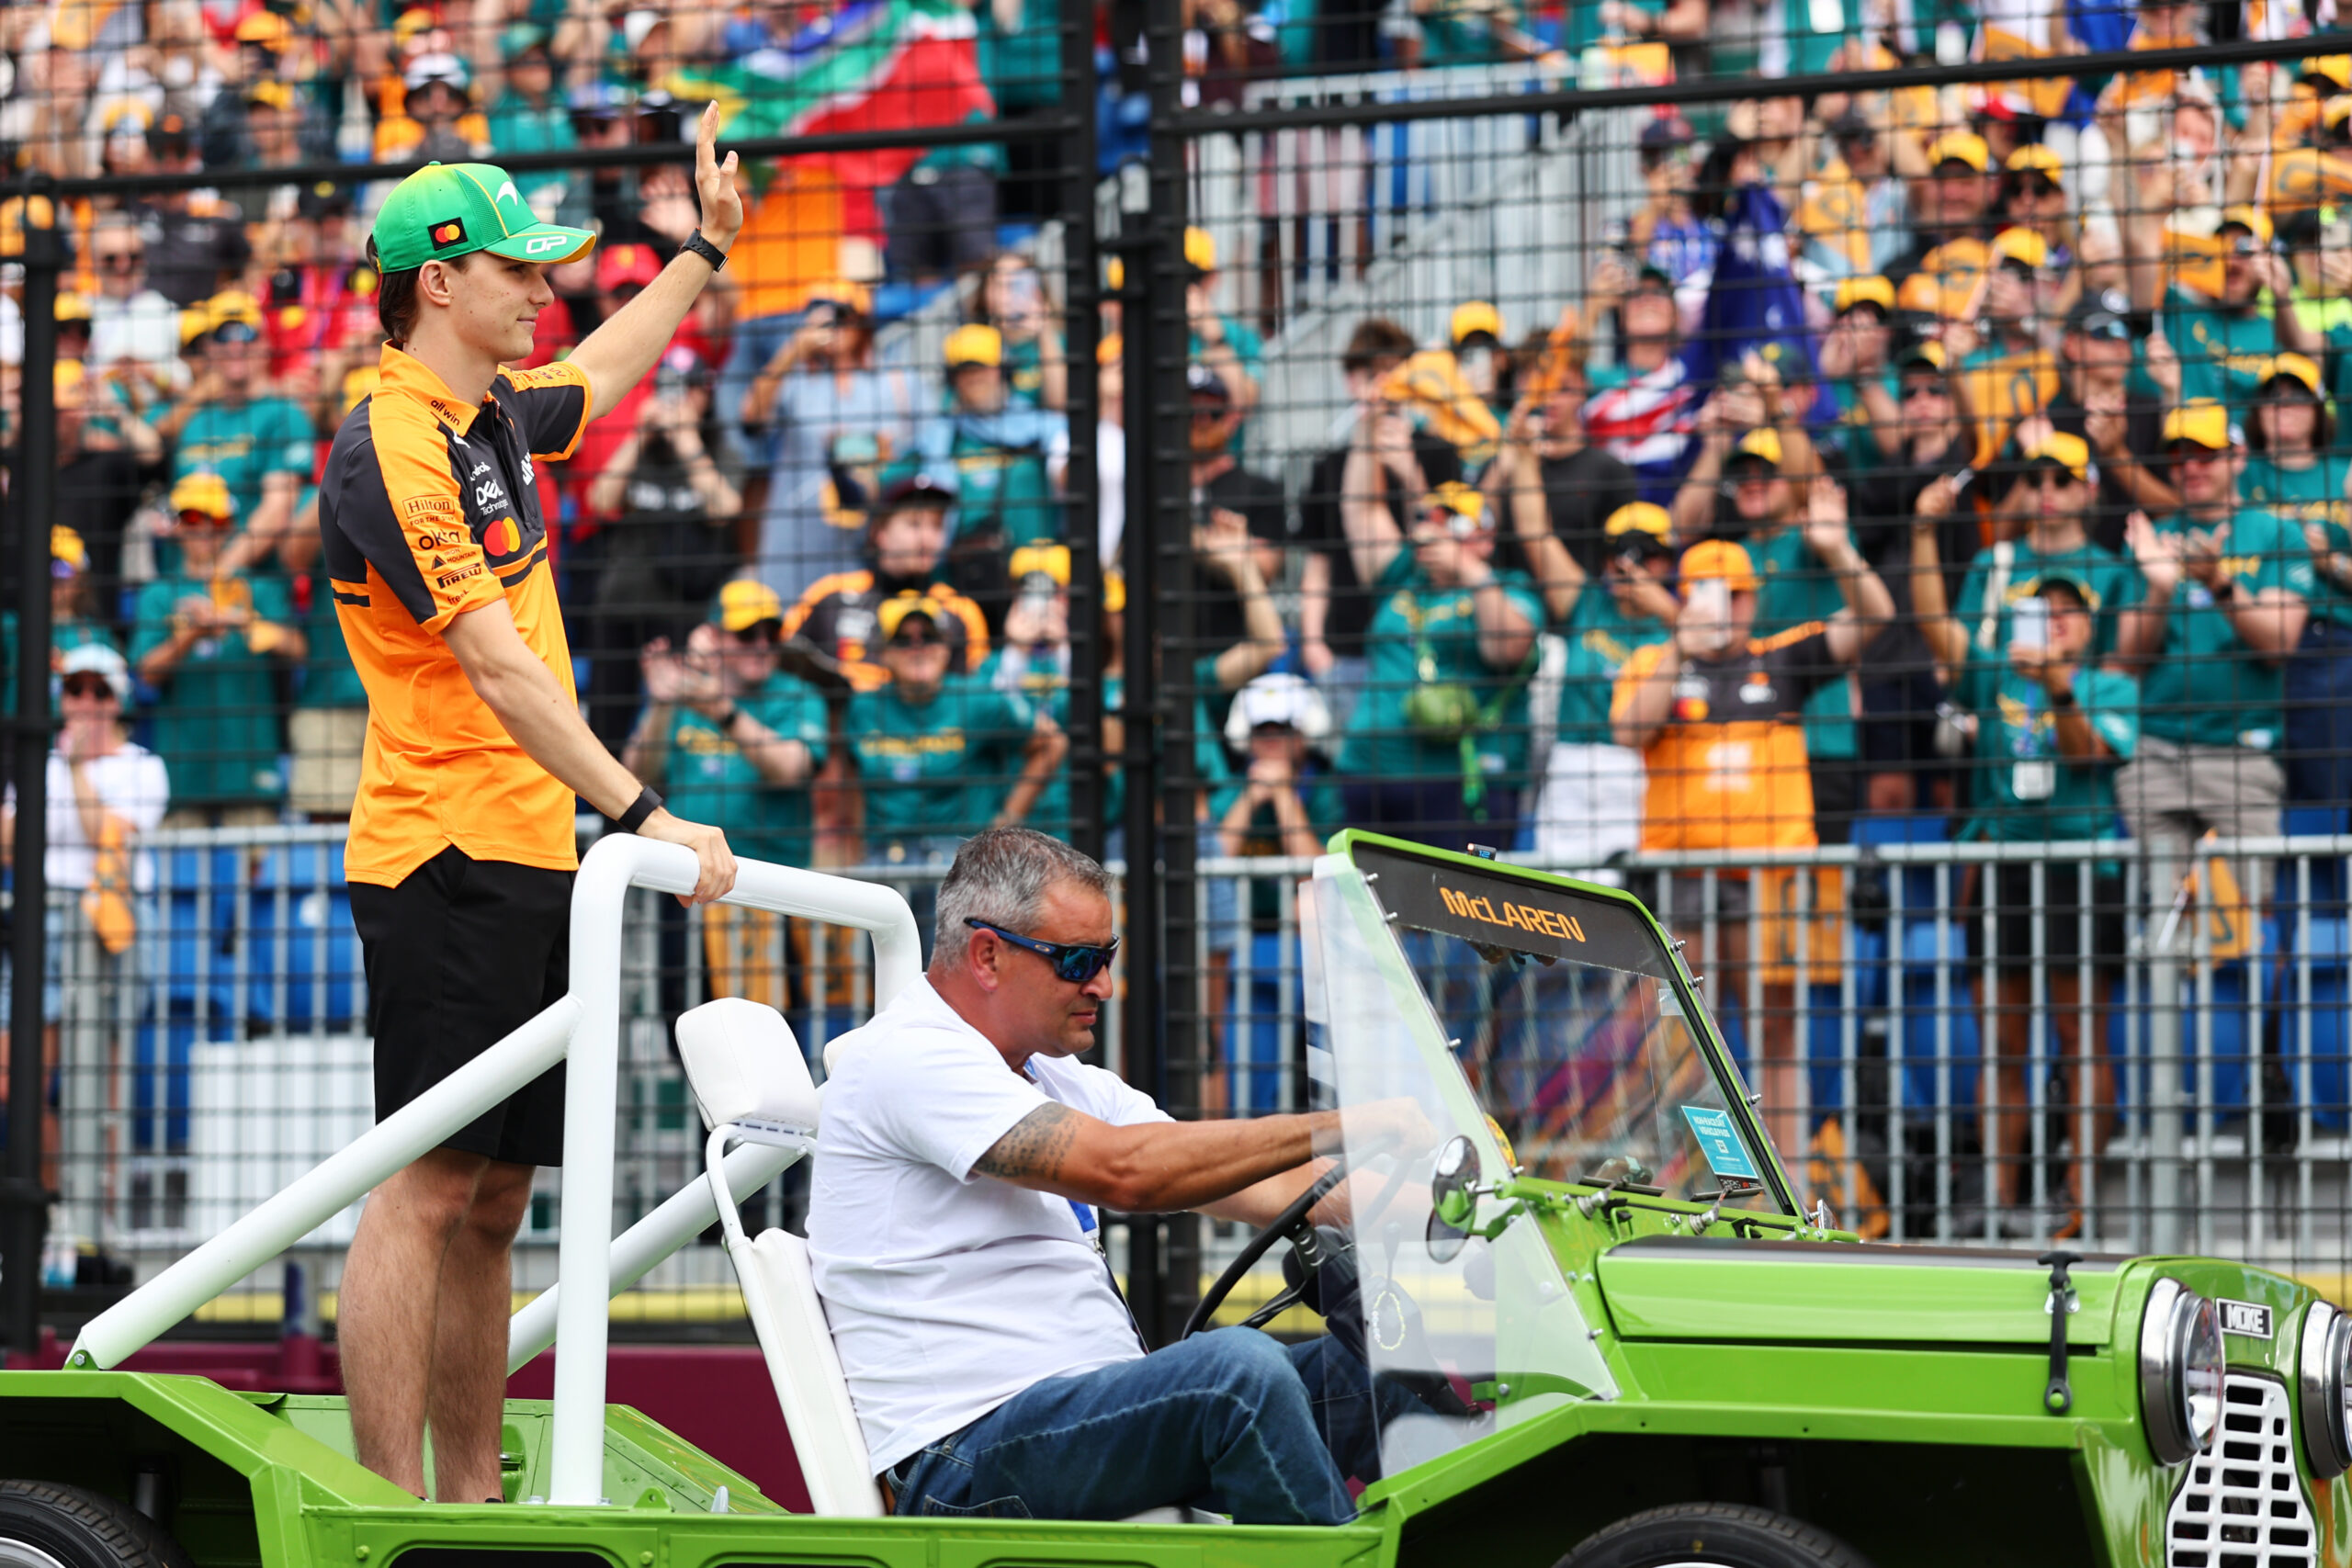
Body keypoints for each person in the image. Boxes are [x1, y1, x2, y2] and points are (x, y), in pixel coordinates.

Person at [319, 123, 743, 1505]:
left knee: (498, 1199)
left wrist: (705, 250)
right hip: (438, 849)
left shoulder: (487, 409)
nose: (542, 289)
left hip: (530, 850)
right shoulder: (391, 438)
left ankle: (467, 1495)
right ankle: (390, 1504)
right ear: (437, 280)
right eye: (519, 267)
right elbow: (496, 665)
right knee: (430, 1185)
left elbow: (604, 370)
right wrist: (648, 810)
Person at [808, 827, 1430, 1524]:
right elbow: (1126, 1171)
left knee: (1387, 1367)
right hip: (963, 1457)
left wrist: (1457, 1203)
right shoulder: (907, 1058)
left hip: (1081, 1418)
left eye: (1107, 956)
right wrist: (1348, 1124)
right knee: (1238, 1376)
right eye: (1077, 960)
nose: (1104, 983)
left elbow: (1289, 1186)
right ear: (987, 955)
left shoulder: (1059, 1078)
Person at [1611, 499, 1893, 1156]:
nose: (1724, 608)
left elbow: (1876, 616)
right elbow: (1629, 730)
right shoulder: (1655, 659)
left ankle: (1786, 1180)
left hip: (1773, 878)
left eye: (1735, 595)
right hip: (1684, 880)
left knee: (1779, 1032)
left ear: (1752, 599)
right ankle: (1686, 1177)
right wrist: (1680, 643)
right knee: (1682, 1033)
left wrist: (1836, 549)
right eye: (1708, 594)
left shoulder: (1783, 659)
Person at [1916, 558, 2133, 1235]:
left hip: (2079, 869)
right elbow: (1931, 622)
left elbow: (2087, 754)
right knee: (2002, 1043)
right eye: (2046, 608)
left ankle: (2080, 1202)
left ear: (2090, 625)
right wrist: (1925, 534)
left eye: (2070, 608)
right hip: (2004, 868)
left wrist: (2057, 686)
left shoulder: (2108, 683)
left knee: (2079, 1035)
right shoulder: (1991, 673)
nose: (2057, 617)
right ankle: (2000, 1201)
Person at [2118, 400, 2312, 911]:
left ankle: (2271, 993)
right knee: (2165, 916)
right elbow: (2128, 658)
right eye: (2179, 456)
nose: (2191, 467)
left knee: (2260, 909)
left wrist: (2218, 583)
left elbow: (2279, 645)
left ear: (2238, 457)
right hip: (2156, 751)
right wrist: (2160, 587)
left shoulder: (2275, 532)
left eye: (2205, 454)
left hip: (2242, 751)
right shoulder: (2152, 539)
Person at [0, 643, 170, 1198]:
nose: (86, 701)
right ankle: (53, 1209)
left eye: (99, 690)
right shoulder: (39, 764)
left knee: (102, 1083)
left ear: (118, 700)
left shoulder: (144, 766)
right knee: (20, 1078)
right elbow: (6, 843)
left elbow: (108, 837)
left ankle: (101, 1220)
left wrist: (75, 774)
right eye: (76, 689)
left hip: (109, 923)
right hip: (44, 919)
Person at [624, 590, 829, 1010]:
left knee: (766, 1031)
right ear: (714, 638)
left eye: (771, 632)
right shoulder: (684, 697)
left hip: (767, 892)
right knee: (680, 1018)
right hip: (684, 889)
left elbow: (791, 767)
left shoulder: (799, 696)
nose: (761, 644)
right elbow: (636, 776)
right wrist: (663, 704)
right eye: (745, 633)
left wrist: (721, 710)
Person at [1333, 476, 1542, 849]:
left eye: (1448, 524)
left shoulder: (1508, 586)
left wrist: (1471, 571)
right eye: (1428, 523)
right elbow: (1359, 508)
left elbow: (1508, 649)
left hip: (1455, 784)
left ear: (1483, 538)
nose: (1431, 535)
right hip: (1368, 771)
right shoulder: (1404, 576)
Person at [1298, 318, 1465, 734]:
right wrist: (1315, 644)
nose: (1381, 386)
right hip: (1347, 648)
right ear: (1350, 381)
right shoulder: (1330, 464)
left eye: (1392, 372)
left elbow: (1447, 540)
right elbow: (1318, 562)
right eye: (1370, 374)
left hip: (1419, 643)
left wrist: (1411, 476)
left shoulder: (1439, 453)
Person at [129, 474, 305, 828]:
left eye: (216, 520)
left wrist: (239, 621)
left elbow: (297, 649)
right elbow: (146, 672)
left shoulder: (259, 589)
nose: (204, 530)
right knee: (179, 880)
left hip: (250, 768)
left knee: (259, 877)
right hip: (182, 774)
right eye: (193, 519)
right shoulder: (158, 595)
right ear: (177, 526)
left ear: (231, 527)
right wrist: (193, 633)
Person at [847, 593, 1067, 870]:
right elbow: (850, 786)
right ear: (884, 652)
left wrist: (1007, 821)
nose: (918, 648)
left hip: (962, 862)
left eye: (928, 636)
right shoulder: (865, 706)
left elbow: (1053, 742)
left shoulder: (974, 699)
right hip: (883, 858)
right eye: (903, 640)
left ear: (945, 647)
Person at [741, 284, 927, 602]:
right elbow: (750, 420)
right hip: (799, 541)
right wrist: (792, 351)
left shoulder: (898, 381)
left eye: (840, 315)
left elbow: (922, 456)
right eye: (820, 317)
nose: (833, 327)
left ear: (860, 320)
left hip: (871, 541)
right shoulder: (798, 379)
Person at [1526, 500, 1676, 874]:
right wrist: (1524, 454)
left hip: (1634, 767)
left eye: (1647, 555)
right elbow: (1534, 533)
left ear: (1668, 561)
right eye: (1618, 554)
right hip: (1569, 761)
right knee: (1555, 886)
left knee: (1617, 894)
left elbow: (1725, 647)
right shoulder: (1588, 601)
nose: (1630, 567)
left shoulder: (1679, 628)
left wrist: (1666, 608)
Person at [2245, 358, 2352, 814]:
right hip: (2252, 635)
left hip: (2330, 639)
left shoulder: (2343, 474)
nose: (2282, 407)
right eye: (2271, 398)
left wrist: (2328, 561)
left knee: (2326, 786)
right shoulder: (2240, 471)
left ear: (2318, 411)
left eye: (2295, 397)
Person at [781, 474, 991, 693]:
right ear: (880, 532)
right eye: (914, 524)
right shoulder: (830, 594)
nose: (927, 538)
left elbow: (975, 698)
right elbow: (782, 663)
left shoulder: (960, 610)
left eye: (937, 526)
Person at [157, 293, 311, 566]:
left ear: (264, 344)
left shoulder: (284, 413)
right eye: (223, 336)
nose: (235, 345)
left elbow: (277, 509)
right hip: (184, 582)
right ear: (209, 349)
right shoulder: (194, 421)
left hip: (254, 585)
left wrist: (221, 576)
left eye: (246, 333)